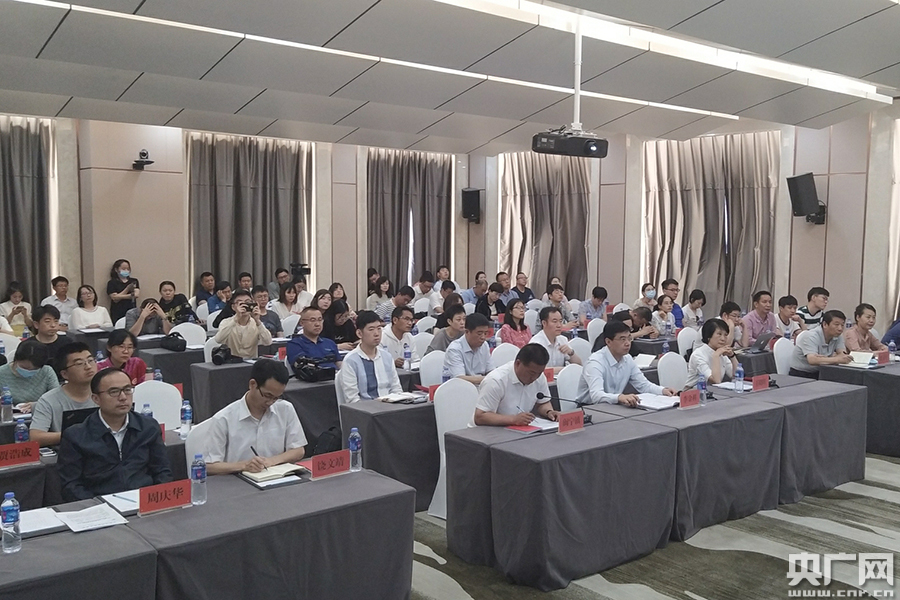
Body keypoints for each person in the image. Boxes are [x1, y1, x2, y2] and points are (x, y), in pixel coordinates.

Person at [57, 368, 172, 501]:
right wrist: (99, 506)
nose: (123, 397)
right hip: (99, 505)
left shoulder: (148, 427)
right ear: (96, 398)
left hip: (144, 501)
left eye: (127, 390)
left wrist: (154, 500)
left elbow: (162, 472)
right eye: (114, 392)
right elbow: (70, 485)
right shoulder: (76, 436)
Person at [205, 359, 306, 475]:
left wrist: (272, 461)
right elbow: (209, 466)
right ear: (253, 384)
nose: (270, 402)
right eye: (267, 395)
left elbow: (298, 450)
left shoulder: (285, 409)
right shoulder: (224, 419)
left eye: (276, 398)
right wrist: (244, 466)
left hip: (275, 477)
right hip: (237, 481)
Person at [576, 321, 677, 406]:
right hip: (589, 408)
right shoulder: (595, 362)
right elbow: (596, 396)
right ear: (608, 342)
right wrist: (619, 397)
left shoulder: (627, 358)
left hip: (613, 406)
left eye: (629, 338)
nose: (628, 343)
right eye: (622, 339)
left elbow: (644, 385)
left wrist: (663, 390)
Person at [473, 344, 558, 426]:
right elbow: (480, 416)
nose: (535, 378)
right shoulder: (496, 380)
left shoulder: (540, 377)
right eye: (531, 373)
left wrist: (549, 412)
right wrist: (513, 419)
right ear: (518, 363)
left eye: (539, 373)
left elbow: (542, 403)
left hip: (520, 429)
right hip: (490, 431)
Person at [30, 342, 97, 447]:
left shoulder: (105, 393)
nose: (88, 367)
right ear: (65, 374)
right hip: (68, 453)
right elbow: (36, 437)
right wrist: (75, 434)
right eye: (79, 363)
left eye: (90, 360)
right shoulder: (49, 400)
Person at [338, 311, 403, 403]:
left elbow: (396, 389)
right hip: (365, 408)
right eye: (371, 329)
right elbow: (352, 399)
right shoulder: (351, 360)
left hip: (390, 406)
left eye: (379, 328)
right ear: (359, 333)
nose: (376, 333)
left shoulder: (387, 356)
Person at [0, 341, 59, 412]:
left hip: (40, 413)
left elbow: (57, 398)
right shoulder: (2, 373)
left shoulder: (46, 371)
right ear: (16, 360)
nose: (28, 371)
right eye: (24, 367)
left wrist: (37, 405)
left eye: (34, 369)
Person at [790, 310, 851, 378]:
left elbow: (842, 354)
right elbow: (812, 360)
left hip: (822, 371)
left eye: (842, 325)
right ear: (825, 324)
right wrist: (837, 359)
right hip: (801, 373)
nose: (840, 329)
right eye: (836, 324)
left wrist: (824, 359)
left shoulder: (837, 335)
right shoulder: (810, 336)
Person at [214, 290, 273, 359]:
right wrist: (236, 318)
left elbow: (268, 342)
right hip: (231, 362)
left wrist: (257, 321)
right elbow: (218, 339)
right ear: (233, 307)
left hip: (251, 362)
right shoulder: (226, 322)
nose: (245, 305)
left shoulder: (256, 323)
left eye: (248, 302)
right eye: (240, 303)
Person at [686, 319, 739, 389]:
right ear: (709, 336)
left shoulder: (721, 352)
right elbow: (716, 381)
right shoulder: (698, 355)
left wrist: (732, 356)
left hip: (713, 391)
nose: (723, 339)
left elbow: (737, 376)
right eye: (719, 334)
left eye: (725, 335)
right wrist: (716, 356)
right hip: (693, 391)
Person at [285, 307, 341, 373]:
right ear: (302, 323)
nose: (317, 324)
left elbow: (339, 363)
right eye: (312, 320)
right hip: (313, 377)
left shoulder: (330, 343)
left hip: (335, 376)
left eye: (320, 320)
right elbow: (302, 366)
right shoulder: (294, 344)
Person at [443, 313, 493, 385]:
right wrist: (488, 378)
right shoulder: (455, 349)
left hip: (482, 385)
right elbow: (459, 378)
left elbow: (491, 370)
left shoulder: (484, 345)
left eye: (485, 333)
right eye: (479, 334)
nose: (483, 337)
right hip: (461, 388)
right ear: (467, 332)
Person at [531, 306, 582, 372]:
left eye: (560, 321)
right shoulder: (536, 344)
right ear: (544, 323)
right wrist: (564, 369)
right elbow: (537, 370)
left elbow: (579, 365)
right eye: (554, 321)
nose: (559, 325)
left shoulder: (563, 339)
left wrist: (571, 352)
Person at [106, 259, 140, 324]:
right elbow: (115, 299)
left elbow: (136, 295)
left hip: (131, 309)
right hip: (117, 311)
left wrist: (119, 296)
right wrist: (127, 289)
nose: (126, 270)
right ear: (116, 269)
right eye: (123, 269)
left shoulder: (133, 281)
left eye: (128, 269)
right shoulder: (112, 283)